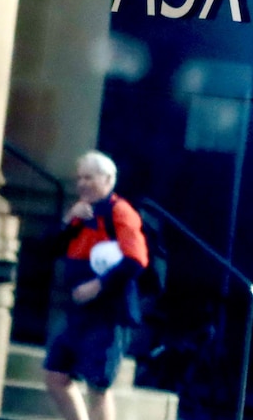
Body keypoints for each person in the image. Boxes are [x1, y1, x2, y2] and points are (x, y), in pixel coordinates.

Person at [44, 150, 149, 420]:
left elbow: (135, 261)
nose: (82, 184)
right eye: (79, 178)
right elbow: (50, 246)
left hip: (108, 314)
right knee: (55, 374)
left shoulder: (120, 212)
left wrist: (97, 286)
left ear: (109, 179)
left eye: (89, 178)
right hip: (78, 311)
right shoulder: (81, 212)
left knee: (98, 385)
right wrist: (68, 220)